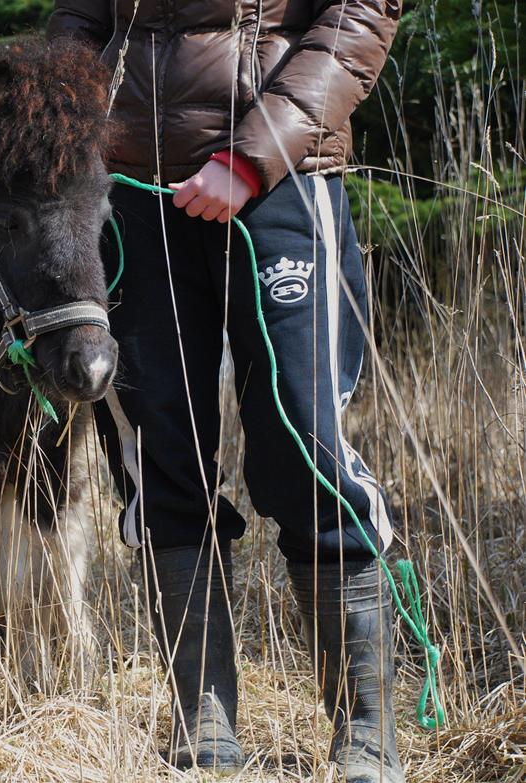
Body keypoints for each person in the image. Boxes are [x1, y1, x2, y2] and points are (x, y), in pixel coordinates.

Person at [48, 2, 405, 781]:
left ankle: (365, 728)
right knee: (157, 450)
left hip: (283, 176)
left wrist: (253, 153)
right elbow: (79, 13)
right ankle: (202, 722)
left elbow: (360, 13)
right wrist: (72, 121)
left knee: (302, 441)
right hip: (129, 186)